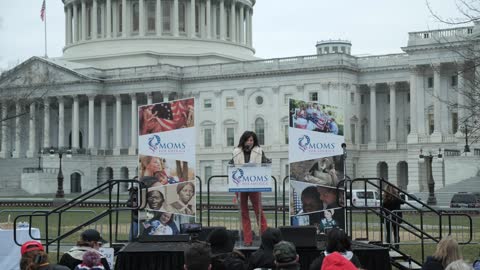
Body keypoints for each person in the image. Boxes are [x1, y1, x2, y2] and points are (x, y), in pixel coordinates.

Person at [231, 131, 269, 246]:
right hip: (241, 185)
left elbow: (265, 163)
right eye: (247, 140)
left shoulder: (259, 151)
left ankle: (265, 238)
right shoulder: (236, 152)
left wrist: (267, 162)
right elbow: (231, 165)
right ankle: (248, 240)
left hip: (254, 184)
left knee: (258, 212)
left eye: (251, 140)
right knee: (244, 212)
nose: (249, 142)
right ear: (243, 140)